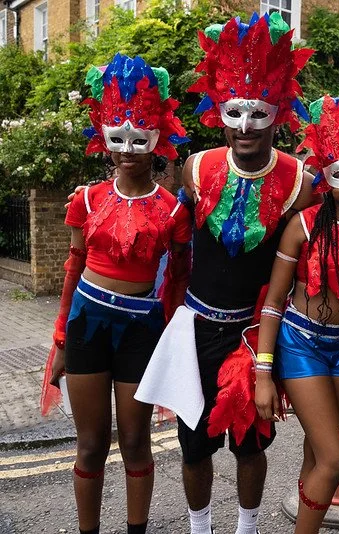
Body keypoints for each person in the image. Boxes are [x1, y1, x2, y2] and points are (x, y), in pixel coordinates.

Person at [132, 12, 315, 534]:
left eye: (258, 112)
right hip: (194, 330)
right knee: (193, 446)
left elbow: (314, 252)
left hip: (253, 335)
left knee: (250, 444)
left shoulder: (299, 182)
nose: (245, 125)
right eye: (234, 111)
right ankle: (199, 526)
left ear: (277, 112)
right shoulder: (196, 167)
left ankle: (247, 527)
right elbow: (171, 229)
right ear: (219, 111)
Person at [40, 54, 192, 534]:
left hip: (141, 332)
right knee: (89, 444)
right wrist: (61, 337)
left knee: (134, 440)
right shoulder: (85, 199)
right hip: (86, 325)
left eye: (140, 138)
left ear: (157, 140)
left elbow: (180, 282)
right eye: (117, 137)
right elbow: (73, 267)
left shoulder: (172, 211)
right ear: (103, 137)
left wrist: (176, 348)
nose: (128, 148)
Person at [253, 91, 339, 533]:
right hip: (302, 345)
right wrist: (263, 372)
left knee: (317, 452)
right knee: (336, 459)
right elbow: (274, 303)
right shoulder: (304, 225)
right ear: (325, 176)